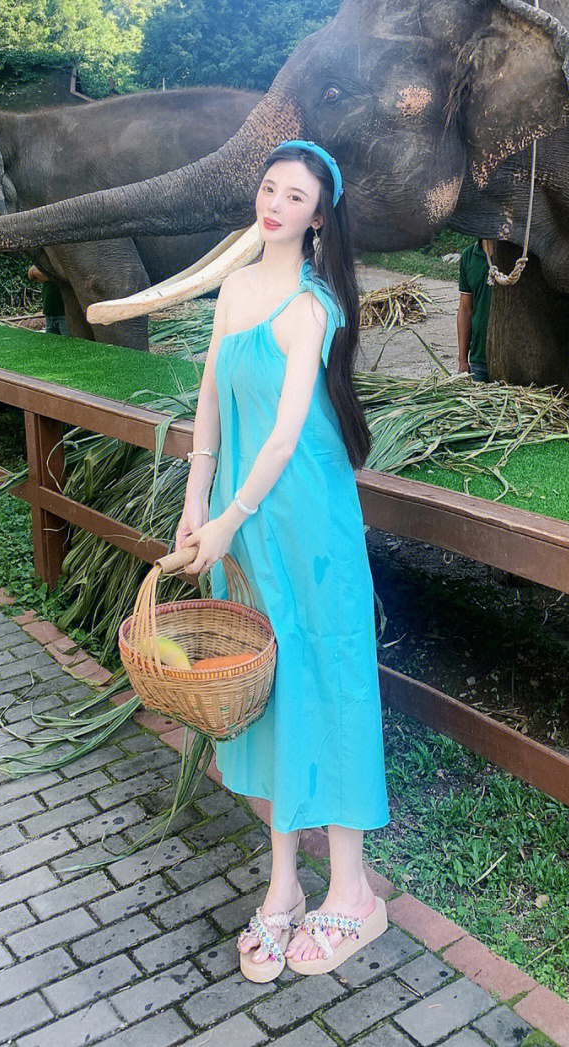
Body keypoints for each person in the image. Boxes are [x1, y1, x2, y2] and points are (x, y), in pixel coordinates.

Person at [176, 138, 390, 982]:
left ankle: (352, 893)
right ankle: (282, 886)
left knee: (326, 676)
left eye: (294, 195)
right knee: (268, 683)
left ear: (317, 214)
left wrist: (227, 517)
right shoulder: (235, 288)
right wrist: (196, 497)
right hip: (241, 511)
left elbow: (290, 428)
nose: (274, 204)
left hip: (304, 513)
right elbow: (210, 400)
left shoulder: (311, 303)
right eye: (269, 188)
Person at [457, 237, 496, 381]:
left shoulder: (516, 255)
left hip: (510, 357)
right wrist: (462, 361)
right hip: (479, 357)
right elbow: (465, 309)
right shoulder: (469, 255)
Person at [28, 264, 68, 334]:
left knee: (69, 342)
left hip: (64, 316)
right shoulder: (44, 264)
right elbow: (31, 274)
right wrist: (50, 276)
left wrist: (49, 276)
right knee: (50, 342)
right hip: (49, 314)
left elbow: (61, 277)